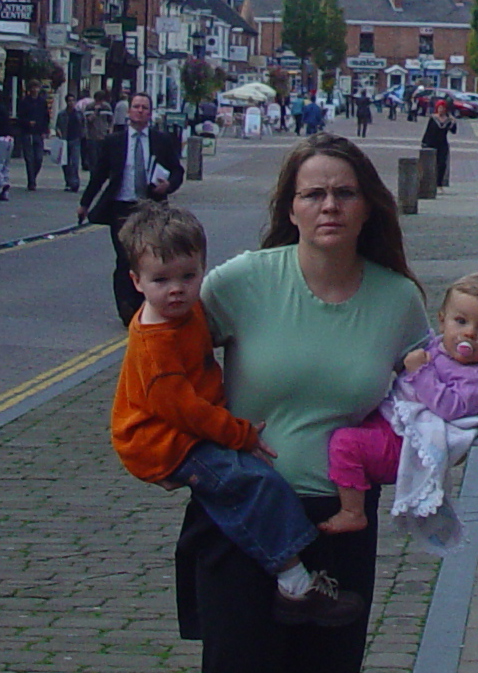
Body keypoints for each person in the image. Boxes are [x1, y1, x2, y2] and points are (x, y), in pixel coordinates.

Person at [164, 136, 429, 673]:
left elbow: (426, 401)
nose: (328, 207)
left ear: (367, 203)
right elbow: (158, 355)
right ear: (288, 206)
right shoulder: (244, 283)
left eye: (343, 192)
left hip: (340, 526)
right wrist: (178, 448)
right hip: (243, 521)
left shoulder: (397, 299)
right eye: (312, 194)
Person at [108, 202, 361, 626]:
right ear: (136, 281)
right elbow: (187, 412)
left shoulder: (187, 313)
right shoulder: (155, 347)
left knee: (245, 484)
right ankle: (296, 585)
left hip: (187, 428)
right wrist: (239, 434)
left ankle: (297, 568)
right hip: (162, 439)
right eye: (160, 280)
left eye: (188, 277)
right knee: (249, 484)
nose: (176, 290)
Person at [323, 271, 478, 545]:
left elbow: (450, 408)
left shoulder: (477, 379)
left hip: (407, 443)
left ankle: (352, 511)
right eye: (460, 321)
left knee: (344, 443)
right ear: (442, 320)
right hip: (392, 421)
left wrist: (421, 371)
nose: (469, 333)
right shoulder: (437, 348)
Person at [81, 90, 186, 326]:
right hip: (121, 207)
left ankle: (144, 304)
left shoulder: (161, 140)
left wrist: (168, 186)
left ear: (150, 113)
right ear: (128, 111)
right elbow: (99, 175)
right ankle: (126, 308)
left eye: (144, 108)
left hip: (150, 207)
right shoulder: (114, 142)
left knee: (147, 258)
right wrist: (85, 203)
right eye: (136, 106)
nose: (140, 111)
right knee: (124, 258)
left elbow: (178, 170)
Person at [18, 87, 51, 190]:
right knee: (29, 158)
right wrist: (27, 122)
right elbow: (20, 116)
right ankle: (31, 181)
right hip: (27, 132)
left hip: (38, 132)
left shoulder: (42, 102)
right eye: (33, 88)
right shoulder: (24, 102)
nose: (35, 90)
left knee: (38, 158)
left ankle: (33, 176)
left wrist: (45, 130)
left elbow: (46, 117)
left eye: (37, 88)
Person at [421, 103, 453, 191]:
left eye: (442, 108)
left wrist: (453, 122)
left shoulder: (448, 120)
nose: (441, 110)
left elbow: (453, 131)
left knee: (442, 164)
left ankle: (439, 183)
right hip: (432, 143)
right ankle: (429, 183)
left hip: (442, 144)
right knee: (431, 164)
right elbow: (428, 130)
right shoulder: (433, 118)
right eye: (439, 108)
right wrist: (424, 142)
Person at [57, 95, 86, 193]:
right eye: (69, 101)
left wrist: (83, 135)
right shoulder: (62, 114)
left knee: (74, 162)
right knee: (65, 163)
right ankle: (68, 182)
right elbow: (58, 126)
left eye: (73, 100)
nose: (71, 103)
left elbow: (83, 125)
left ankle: (75, 183)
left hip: (76, 139)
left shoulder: (78, 113)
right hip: (65, 139)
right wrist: (59, 132)